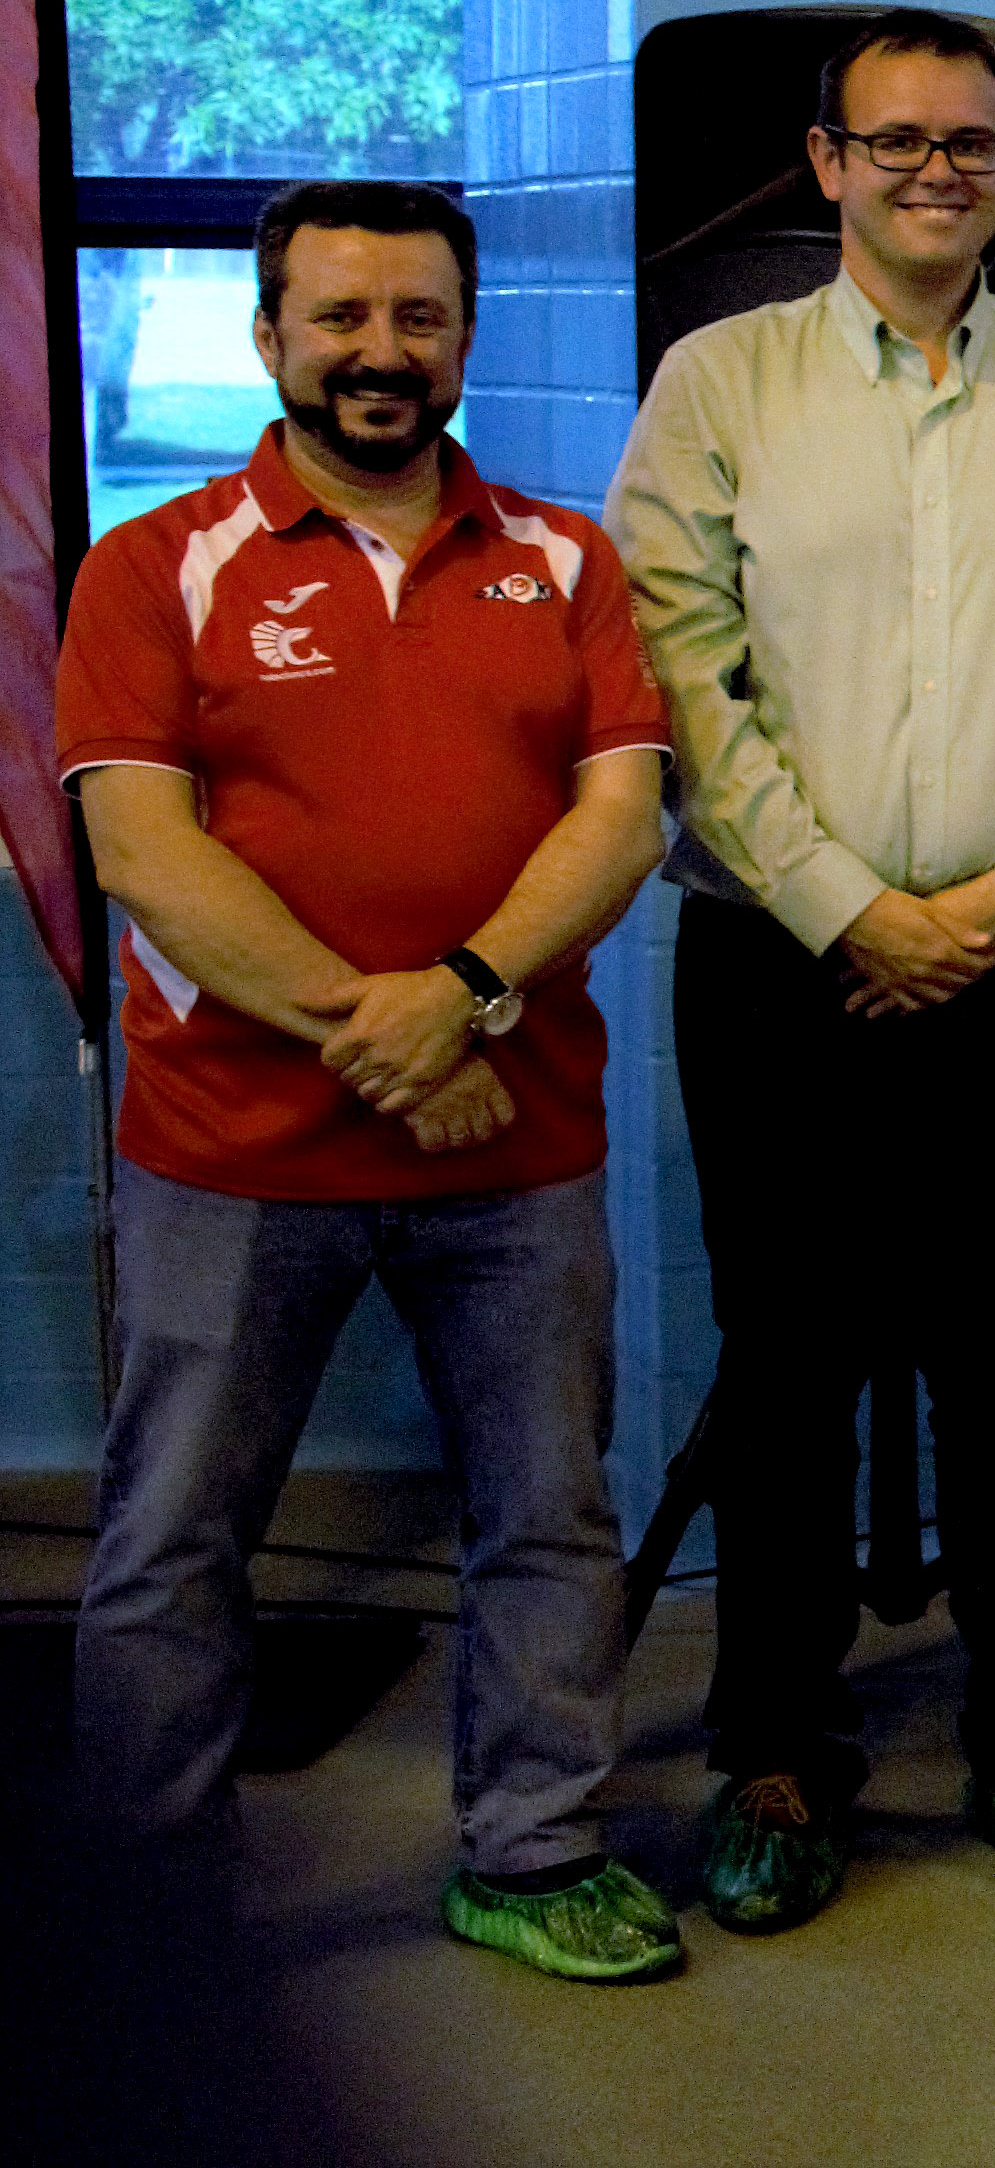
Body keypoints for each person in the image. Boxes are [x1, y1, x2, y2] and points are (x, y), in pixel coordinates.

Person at [607, 8, 995, 1922]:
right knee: (787, 1362)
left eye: (970, 142)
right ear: (827, 163)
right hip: (777, 959)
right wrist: (845, 905)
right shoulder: (722, 381)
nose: (938, 170)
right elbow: (679, 666)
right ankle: (777, 1757)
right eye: (899, 141)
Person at [58, 181, 680, 1982]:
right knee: (172, 1537)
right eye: (340, 316)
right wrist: (399, 1041)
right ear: (270, 337)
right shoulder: (155, 564)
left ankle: (535, 1848)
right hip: (232, 1151)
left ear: (464, 338)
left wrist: (466, 996)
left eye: (419, 316)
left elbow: (621, 816)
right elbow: (145, 853)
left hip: (518, 1147)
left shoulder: (565, 560)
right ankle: (153, 1899)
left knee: (548, 1515)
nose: (380, 351)